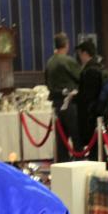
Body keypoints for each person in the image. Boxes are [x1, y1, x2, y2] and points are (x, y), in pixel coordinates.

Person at [46, 32, 82, 162]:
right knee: (76, 136)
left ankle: (63, 163)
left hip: (56, 103)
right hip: (70, 102)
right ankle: (79, 162)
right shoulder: (68, 61)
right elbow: (81, 77)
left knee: (61, 139)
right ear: (66, 44)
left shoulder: (50, 62)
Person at [75, 39, 106, 151]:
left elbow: (88, 95)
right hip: (93, 112)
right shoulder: (96, 67)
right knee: (96, 146)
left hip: (90, 113)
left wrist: (75, 97)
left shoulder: (91, 70)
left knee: (95, 145)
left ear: (84, 53)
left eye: (79, 54)